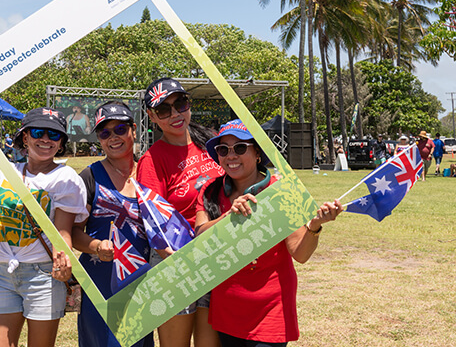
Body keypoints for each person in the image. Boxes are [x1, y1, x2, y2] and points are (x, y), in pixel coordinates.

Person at [195, 119, 343, 346]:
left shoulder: (280, 192)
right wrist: (228, 218)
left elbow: (300, 254)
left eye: (240, 148)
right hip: (227, 312)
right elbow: (200, 239)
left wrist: (314, 226)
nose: (231, 156)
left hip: (270, 313)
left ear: (257, 154)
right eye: (223, 149)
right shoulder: (210, 191)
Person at [0, 107, 88, 347]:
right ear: (25, 137)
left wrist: (64, 258)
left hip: (44, 276)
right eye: (38, 132)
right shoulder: (4, 171)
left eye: (54, 135)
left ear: (61, 142)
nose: (45, 139)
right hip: (4, 274)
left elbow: (63, 231)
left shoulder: (66, 178)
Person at [137, 78, 224, 347]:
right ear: (152, 116)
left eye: (180, 104)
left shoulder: (212, 143)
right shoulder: (151, 160)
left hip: (219, 256)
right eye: (164, 110)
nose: (175, 114)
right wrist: (176, 265)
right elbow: (154, 224)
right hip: (176, 262)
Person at [73, 101, 154, 347]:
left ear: (133, 130)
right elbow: (73, 233)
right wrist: (96, 246)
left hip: (144, 283)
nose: (113, 138)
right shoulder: (89, 176)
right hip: (100, 283)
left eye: (120, 129)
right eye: (104, 133)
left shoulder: (149, 173)